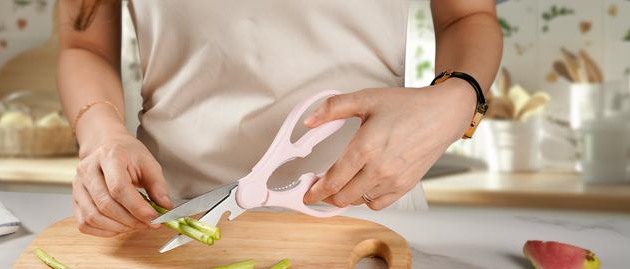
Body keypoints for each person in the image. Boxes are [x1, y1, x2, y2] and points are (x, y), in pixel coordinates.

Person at [57, 0, 503, 237]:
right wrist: (101, 135)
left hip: (370, 215)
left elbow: (469, 16)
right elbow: (83, 44)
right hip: (170, 218)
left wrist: (457, 98)